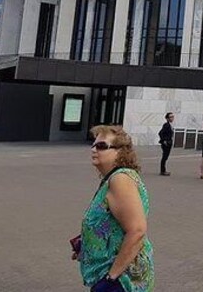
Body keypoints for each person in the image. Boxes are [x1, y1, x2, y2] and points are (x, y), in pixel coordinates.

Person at [75, 125, 154, 291]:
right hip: (113, 275)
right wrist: (87, 244)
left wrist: (111, 278)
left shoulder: (120, 180)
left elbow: (137, 230)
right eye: (94, 144)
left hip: (122, 280)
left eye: (102, 146)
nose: (94, 149)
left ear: (120, 152)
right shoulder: (112, 178)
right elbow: (110, 223)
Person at [157, 112, 174, 176]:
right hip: (166, 143)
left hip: (168, 142)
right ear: (167, 118)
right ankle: (162, 171)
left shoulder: (169, 125)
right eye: (171, 117)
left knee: (165, 157)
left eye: (173, 117)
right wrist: (164, 140)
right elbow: (160, 133)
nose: (172, 118)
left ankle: (163, 170)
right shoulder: (166, 125)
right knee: (164, 157)